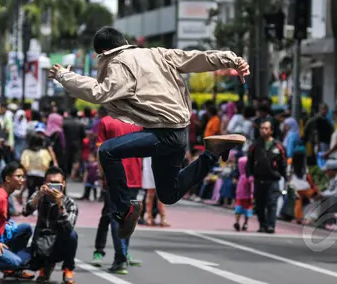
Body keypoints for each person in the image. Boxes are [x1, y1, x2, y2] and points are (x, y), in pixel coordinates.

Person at [48, 26, 249, 239]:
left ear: (103, 52)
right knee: (168, 194)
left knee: (107, 151)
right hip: (177, 133)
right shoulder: (157, 53)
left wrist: (64, 76)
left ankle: (124, 210)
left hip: (163, 135)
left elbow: (100, 91)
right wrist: (231, 59)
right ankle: (213, 152)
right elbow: (196, 59)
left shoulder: (119, 62)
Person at [92, 112, 142, 274]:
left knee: (116, 216)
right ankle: (123, 253)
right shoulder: (138, 121)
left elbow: (101, 150)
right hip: (134, 175)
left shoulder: (106, 122)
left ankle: (120, 258)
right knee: (128, 215)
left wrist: (101, 174)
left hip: (114, 174)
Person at [22, 166, 78, 284]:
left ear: (63, 184)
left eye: (56, 183)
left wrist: (60, 206)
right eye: (50, 183)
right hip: (40, 244)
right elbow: (25, 212)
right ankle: (44, 267)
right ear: (45, 183)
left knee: (73, 235)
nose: (53, 187)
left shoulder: (70, 203)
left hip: (58, 246)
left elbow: (68, 228)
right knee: (16, 263)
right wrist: (38, 196)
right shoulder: (39, 196)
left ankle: (68, 269)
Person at [247, 120, 287, 233]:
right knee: (259, 205)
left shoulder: (278, 146)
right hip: (258, 179)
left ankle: (271, 225)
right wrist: (249, 175)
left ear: (271, 130)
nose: (263, 130)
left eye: (266, 128)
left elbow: (283, 164)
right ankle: (262, 224)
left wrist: (286, 178)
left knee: (272, 203)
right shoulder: (254, 145)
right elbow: (249, 162)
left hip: (273, 179)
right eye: (261, 128)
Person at [233, 156, 253, 231]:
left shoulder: (241, 176)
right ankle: (245, 223)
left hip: (240, 196)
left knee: (238, 208)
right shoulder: (250, 177)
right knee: (247, 209)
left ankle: (237, 222)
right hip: (248, 196)